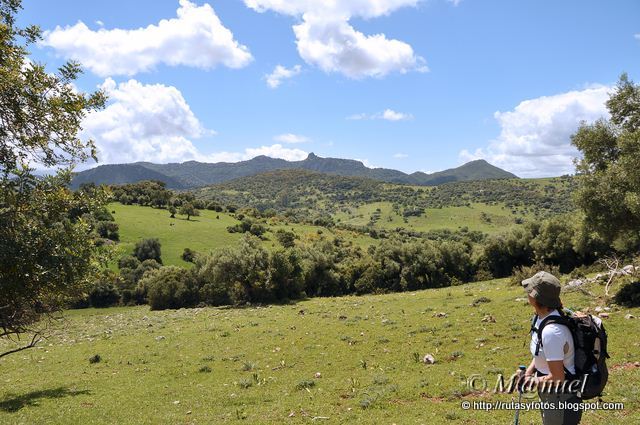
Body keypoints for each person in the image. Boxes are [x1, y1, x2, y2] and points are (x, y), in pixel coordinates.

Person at [520, 271, 582, 425]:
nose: (526, 292)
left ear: (535, 297)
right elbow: (542, 354)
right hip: (551, 394)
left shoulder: (551, 332)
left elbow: (557, 378)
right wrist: (528, 373)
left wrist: (530, 382)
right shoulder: (540, 318)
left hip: (561, 398)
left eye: (529, 290)